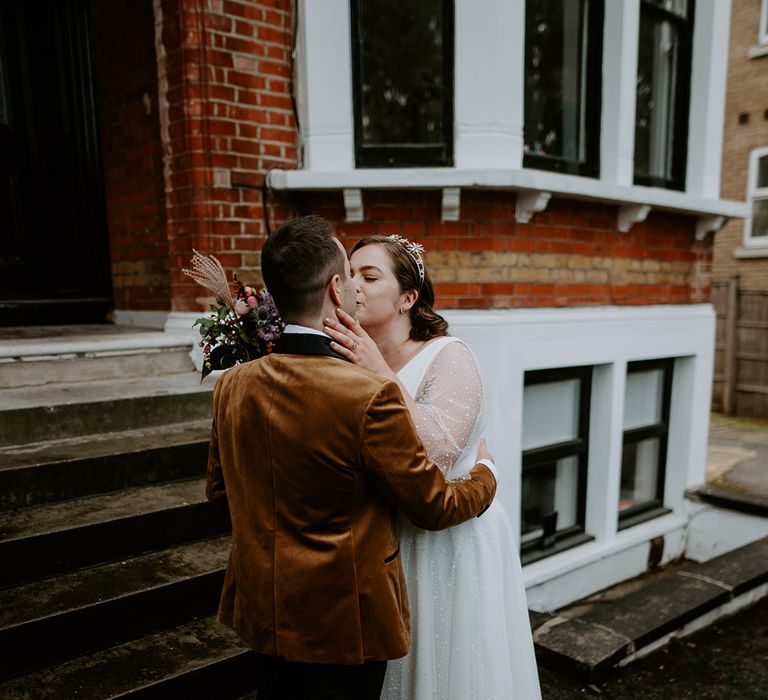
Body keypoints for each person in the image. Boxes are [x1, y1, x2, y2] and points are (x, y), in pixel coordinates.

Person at [205, 216, 499, 700]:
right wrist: (486, 477)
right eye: (352, 274)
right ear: (336, 288)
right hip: (343, 625)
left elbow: (222, 492)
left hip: (262, 613)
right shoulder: (369, 393)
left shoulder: (232, 384)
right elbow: (432, 506)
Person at [324, 234, 542, 699]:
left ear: (408, 297)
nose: (353, 286)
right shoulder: (341, 355)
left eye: (370, 275)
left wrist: (379, 372)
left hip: (449, 538)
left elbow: (437, 453)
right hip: (382, 538)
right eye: (350, 274)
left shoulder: (450, 355)